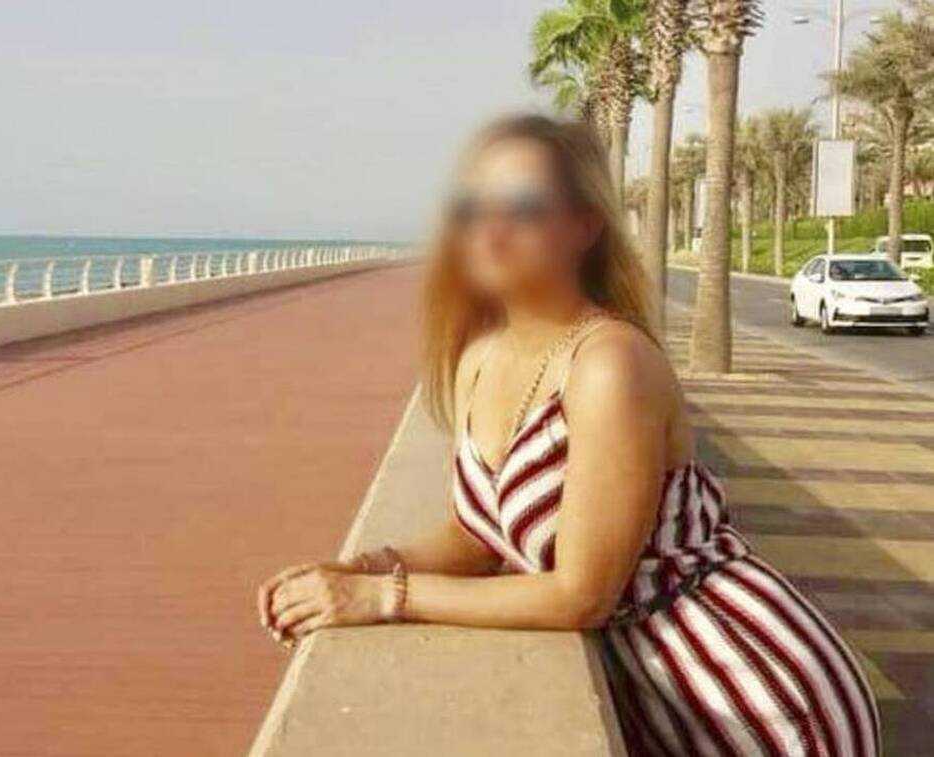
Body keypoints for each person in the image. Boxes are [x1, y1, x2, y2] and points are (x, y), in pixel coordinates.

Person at [255, 114, 880, 756]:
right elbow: (478, 534)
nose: (490, 230)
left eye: (523, 208)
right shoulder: (479, 354)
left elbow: (582, 595)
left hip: (748, 694)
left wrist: (382, 597)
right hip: (656, 696)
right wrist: (359, 568)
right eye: (472, 207)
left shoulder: (609, 363)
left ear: (585, 226)